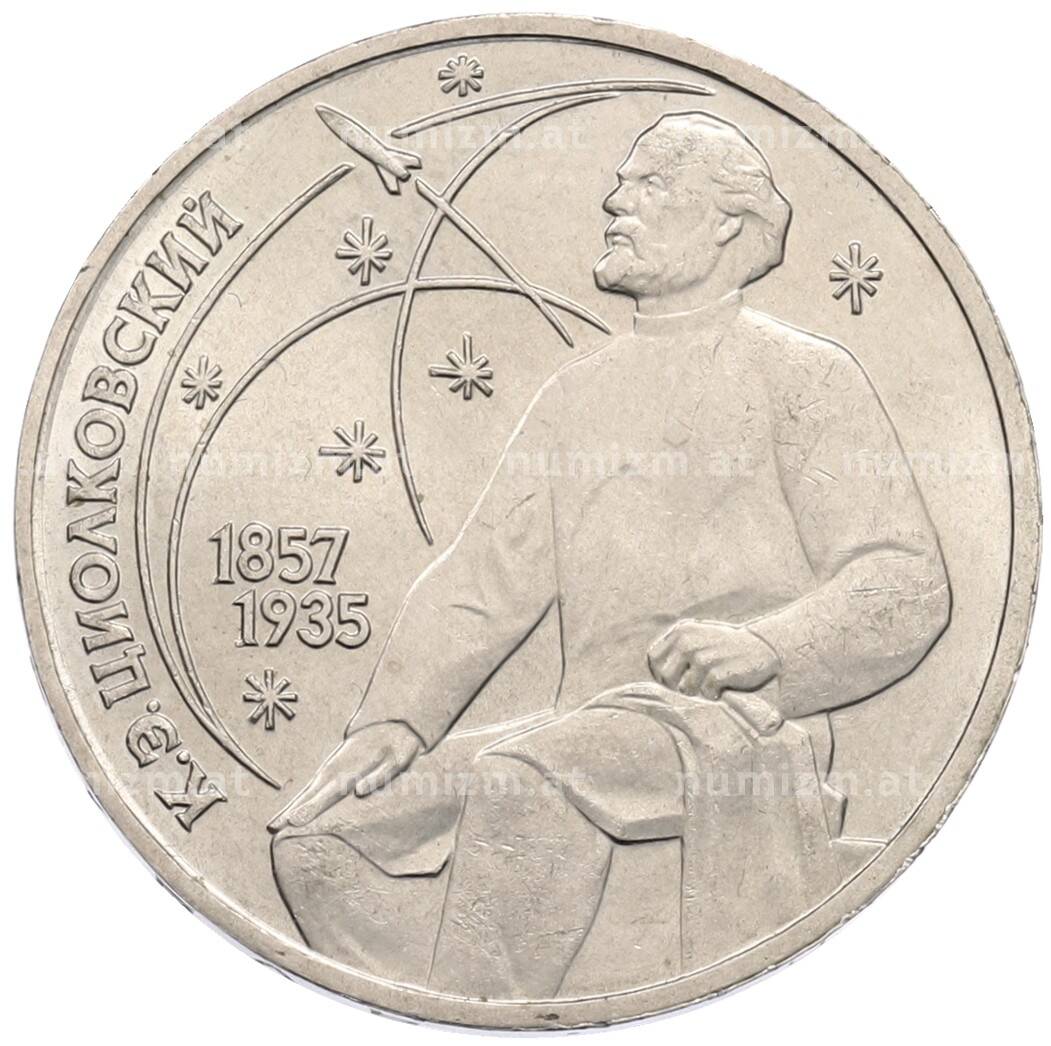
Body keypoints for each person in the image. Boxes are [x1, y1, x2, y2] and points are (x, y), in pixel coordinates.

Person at [270, 111, 951, 997]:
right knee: (319, 834)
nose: (613, 201)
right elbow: (482, 578)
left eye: (649, 184)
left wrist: (765, 646)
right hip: (578, 730)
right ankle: (460, 1002)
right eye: (621, 183)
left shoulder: (806, 376)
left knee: (525, 777)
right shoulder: (573, 395)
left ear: (727, 223)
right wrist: (393, 724)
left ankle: (488, 1007)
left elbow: (904, 581)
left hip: (731, 730)